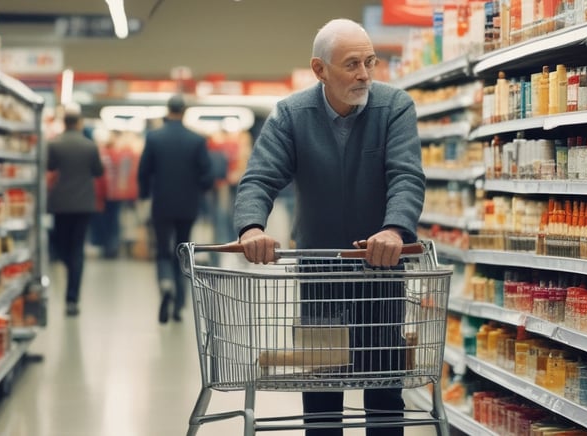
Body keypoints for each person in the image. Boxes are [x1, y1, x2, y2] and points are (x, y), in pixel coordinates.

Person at [233, 19, 426, 436]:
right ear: (319, 70)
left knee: (383, 388)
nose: (364, 74)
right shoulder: (292, 114)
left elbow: (406, 176)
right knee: (321, 387)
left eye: (370, 61)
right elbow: (259, 178)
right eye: (352, 64)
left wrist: (394, 230)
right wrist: (251, 227)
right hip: (319, 269)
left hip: (380, 268)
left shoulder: (394, 107)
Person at [137, 94, 214, 324]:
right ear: (184, 111)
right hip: (187, 205)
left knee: (162, 249)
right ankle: (179, 305)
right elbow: (207, 175)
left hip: (162, 203)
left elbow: (143, 172)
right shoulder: (196, 140)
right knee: (183, 250)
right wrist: (199, 190)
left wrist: (144, 194)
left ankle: (165, 284)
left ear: (167, 110)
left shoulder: (154, 138)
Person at [47, 103, 104, 316]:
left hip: (60, 203)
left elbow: (50, 167)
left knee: (61, 243)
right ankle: (72, 299)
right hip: (83, 204)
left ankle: (67, 261)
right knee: (77, 248)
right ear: (79, 123)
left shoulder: (54, 144)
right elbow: (98, 171)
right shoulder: (90, 146)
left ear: (64, 123)